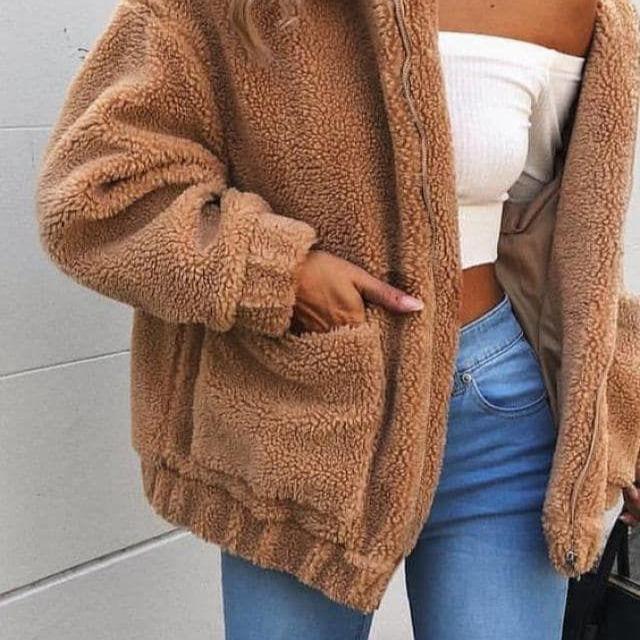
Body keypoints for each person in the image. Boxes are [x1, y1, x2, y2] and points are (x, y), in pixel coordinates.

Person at [35, 0, 640, 638]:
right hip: (305, 424)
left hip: (504, 417)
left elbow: (570, 247)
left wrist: (622, 410)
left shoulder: (579, 10)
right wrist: (280, 273)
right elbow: (92, 193)